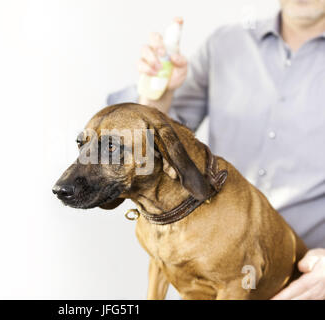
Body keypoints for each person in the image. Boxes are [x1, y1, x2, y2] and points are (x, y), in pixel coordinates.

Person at [107, 0, 325, 299]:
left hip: (304, 279)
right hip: (214, 278)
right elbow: (165, 143)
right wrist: (158, 95)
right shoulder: (225, 45)